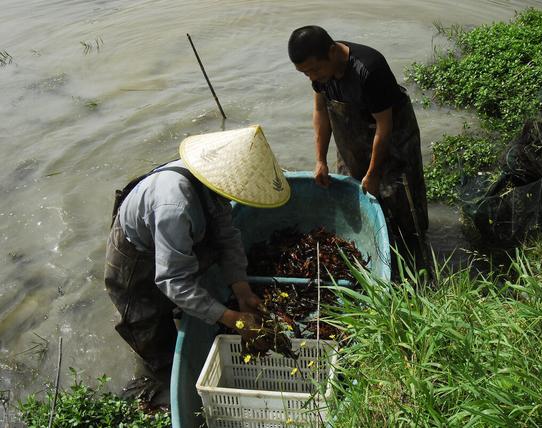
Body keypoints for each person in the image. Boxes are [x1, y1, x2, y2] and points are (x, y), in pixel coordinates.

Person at [104, 125, 290, 378]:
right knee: (146, 328)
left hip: (172, 231)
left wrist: (242, 291)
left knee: (195, 272)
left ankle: (187, 310)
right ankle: (159, 378)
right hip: (136, 256)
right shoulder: (175, 206)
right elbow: (172, 280)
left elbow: (227, 236)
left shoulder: (213, 181)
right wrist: (232, 318)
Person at [288, 25, 429, 270]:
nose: (311, 77)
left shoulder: (369, 69)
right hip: (352, 137)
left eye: (313, 69)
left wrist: (373, 174)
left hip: (393, 137)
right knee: (355, 195)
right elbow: (321, 111)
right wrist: (320, 160)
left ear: (332, 52)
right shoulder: (321, 74)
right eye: (304, 73)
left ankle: (416, 258)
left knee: (403, 200)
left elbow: (384, 127)